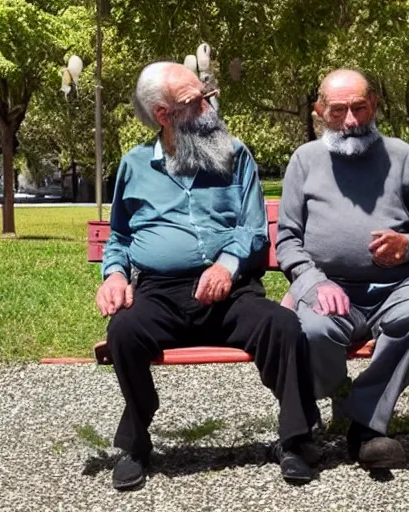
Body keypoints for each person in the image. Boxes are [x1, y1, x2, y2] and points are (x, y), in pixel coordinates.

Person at [96, 61, 319, 491]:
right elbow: (120, 236)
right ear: (163, 115)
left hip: (229, 289)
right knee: (123, 332)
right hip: (160, 293)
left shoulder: (234, 155)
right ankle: (137, 444)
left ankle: (295, 440)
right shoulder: (135, 165)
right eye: (194, 101)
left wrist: (226, 264)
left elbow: (254, 229)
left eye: (207, 94)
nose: (208, 106)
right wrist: (115, 275)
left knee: (283, 325)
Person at [276, 68, 409, 470]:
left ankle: (366, 423)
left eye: (359, 108)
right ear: (320, 112)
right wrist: (314, 282)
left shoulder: (400, 156)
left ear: (374, 107)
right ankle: (319, 413)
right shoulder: (305, 160)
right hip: (330, 288)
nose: (350, 121)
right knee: (310, 331)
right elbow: (287, 239)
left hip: (397, 285)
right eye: (338, 111)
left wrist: (407, 246)